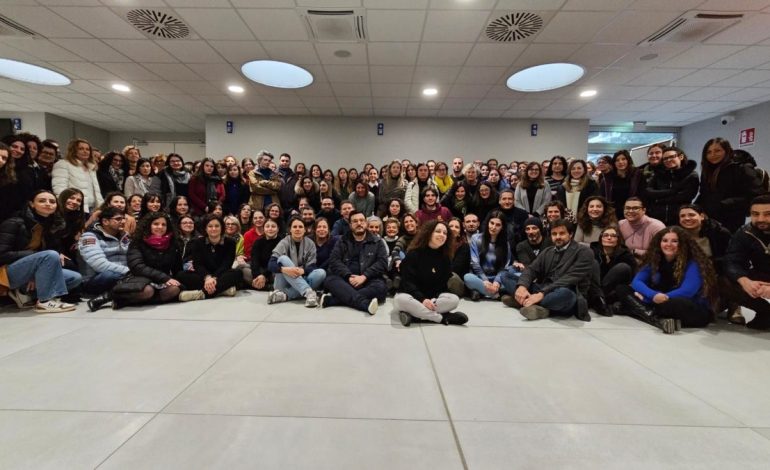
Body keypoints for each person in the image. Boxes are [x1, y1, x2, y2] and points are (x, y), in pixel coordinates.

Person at [618, 226, 716, 334]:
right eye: (665, 240)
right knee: (622, 288)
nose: (668, 244)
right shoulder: (655, 260)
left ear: (683, 244)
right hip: (660, 300)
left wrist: (649, 299)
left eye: (674, 241)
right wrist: (653, 295)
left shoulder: (693, 263)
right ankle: (656, 319)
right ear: (659, 243)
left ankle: (638, 311)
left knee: (675, 303)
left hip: (690, 307)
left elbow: (688, 291)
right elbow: (637, 281)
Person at [0, 190, 82, 313]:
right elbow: (2, 255)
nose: (48, 204)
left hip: (27, 269)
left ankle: (27, 295)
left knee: (75, 277)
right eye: (42, 201)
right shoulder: (14, 222)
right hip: (6, 272)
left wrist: (36, 267)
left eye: (52, 201)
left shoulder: (50, 225)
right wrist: (35, 257)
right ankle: (45, 301)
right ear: (32, 204)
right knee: (50, 255)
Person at [87, 211, 183, 311]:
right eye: (156, 224)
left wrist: (178, 283)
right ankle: (109, 296)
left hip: (160, 281)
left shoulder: (173, 243)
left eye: (164, 224)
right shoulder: (137, 242)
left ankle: (128, 301)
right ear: (148, 226)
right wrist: (164, 278)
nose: (160, 227)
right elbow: (137, 266)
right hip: (139, 278)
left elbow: (177, 268)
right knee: (147, 291)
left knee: (174, 289)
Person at [503, 219, 594, 322]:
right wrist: (522, 287)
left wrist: (541, 294)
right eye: (554, 234)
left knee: (565, 295)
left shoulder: (584, 252)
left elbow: (568, 279)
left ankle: (524, 302)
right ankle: (533, 303)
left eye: (562, 233)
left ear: (571, 234)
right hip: (542, 288)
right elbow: (531, 269)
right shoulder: (548, 251)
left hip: (565, 291)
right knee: (505, 276)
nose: (558, 237)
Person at [394, 220, 469, 326]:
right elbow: (407, 283)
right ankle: (442, 317)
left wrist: (432, 299)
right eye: (438, 231)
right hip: (411, 296)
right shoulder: (414, 254)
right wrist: (422, 299)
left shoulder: (446, 258)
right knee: (400, 300)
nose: (442, 235)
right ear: (429, 233)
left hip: (432, 300)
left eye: (445, 233)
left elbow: (442, 285)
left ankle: (416, 316)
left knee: (454, 300)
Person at [321, 211, 388, 314]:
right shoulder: (342, 240)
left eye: (361, 220)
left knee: (381, 287)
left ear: (366, 223)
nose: (359, 223)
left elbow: (382, 263)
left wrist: (364, 276)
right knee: (330, 280)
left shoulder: (377, 241)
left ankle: (334, 300)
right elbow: (334, 261)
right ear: (350, 225)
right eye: (355, 221)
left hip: (368, 280)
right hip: (345, 280)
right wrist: (348, 276)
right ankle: (364, 304)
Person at [722, 195, 770, 330]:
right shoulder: (745, 232)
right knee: (724, 280)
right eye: (755, 214)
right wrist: (744, 280)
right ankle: (765, 311)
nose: (761, 219)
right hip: (761, 275)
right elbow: (731, 260)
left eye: (767, 214)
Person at [696, 137, 762, 233]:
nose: (713, 155)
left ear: (727, 151)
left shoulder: (741, 168)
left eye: (717, 151)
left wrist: (725, 204)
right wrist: (694, 208)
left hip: (732, 218)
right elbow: (703, 194)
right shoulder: (707, 170)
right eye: (708, 152)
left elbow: (756, 195)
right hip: (709, 218)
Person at [176, 214, 240, 301]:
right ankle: (222, 290)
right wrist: (207, 277)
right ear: (205, 228)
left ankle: (200, 294)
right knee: (181, 275)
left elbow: (226, 264)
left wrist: (213, 278)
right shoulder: (197, 242)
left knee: (237, 273)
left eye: (217, 226)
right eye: (210, 226)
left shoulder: (230, 243)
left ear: (222, 228)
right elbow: (198, 264)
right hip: (204, 275)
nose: (214, 229)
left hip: (221, 274)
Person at [266, 217, 326, 307]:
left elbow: (312, 266)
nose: (297, 229)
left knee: (321, 273)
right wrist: (283, 270)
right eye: (294, 227)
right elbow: (271, 264)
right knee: (283, 258)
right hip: (283, 283)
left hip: (300, 277)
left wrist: (303, 271)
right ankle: (308, 292)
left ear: (305, 230)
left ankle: (284, 296)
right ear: (290, 229)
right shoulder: (284, 242)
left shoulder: (310, 243)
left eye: (300, 227)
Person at [78, 206, 131, 295]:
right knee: (110, 276)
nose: (123, 222)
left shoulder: (125, 236)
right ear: (105, 221)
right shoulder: (89, 237)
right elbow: (99, 265)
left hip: (123, 273)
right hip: (95, 279)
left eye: (124, 219)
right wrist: (129, 271)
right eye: (118, 219)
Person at [644, 146, 699, 226]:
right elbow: (649, 192)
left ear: (681, 157)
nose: (668, 160)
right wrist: (673, 191)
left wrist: (658, 200)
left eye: (671, 157)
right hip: (657, 219)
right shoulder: (659, 174)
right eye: (665, 159)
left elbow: (685, 196)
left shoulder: (691, 175)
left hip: (680, 219)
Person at [464, 210, 511, 300]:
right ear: (487, 223)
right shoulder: (476, 238)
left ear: (502, 227)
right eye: (491, 223)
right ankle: (496, 294)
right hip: (480, 277)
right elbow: (474, 263)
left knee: (517, 275)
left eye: (498, 225)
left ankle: (483, 291)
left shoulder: (505, 243)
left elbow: (505, 267)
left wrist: (497, 282)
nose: (493, 227)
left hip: (497, 279)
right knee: (467, 278)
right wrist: (485, 280)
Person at [590, 226, 636, 310]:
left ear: (618, 240)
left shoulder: (625, 254)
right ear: (601, 238)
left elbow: (633, 275)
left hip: (612, 291)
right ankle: (597, 299)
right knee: (593, 263)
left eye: (613, 236)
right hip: (594, 287)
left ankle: (597, 299)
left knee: (622, 267)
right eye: (606, 235)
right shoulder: (593, 251)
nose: (609, 238)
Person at [52, 138, 103, 212]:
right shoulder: (63, 164)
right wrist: (68, 206)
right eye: (81, 148)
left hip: (93, 208)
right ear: (74, 150)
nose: (85, 151)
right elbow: (59, 189)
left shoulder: (91, 167)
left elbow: (96, 191)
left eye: (87, 149)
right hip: (75, 208)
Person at [618, 197, 665, 263]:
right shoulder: (620, 224)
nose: (630, 211)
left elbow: (661, 252)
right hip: (626, 262)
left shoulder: (657, 226)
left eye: (635, 208)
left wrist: (634, 251)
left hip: (650, 263)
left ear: (644, 210)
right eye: (627, 208)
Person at [249, 218, 281, 291]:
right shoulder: (258, 242)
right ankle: (266, 286)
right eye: (267, 226)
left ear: (278, 229)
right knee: (242, 269)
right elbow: (254, 261)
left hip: (273, 271)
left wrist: (264, 275)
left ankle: (256, 285)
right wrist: (258, 275)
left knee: (280, 275)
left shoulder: (282, 242)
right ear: (263, 228)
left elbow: (277, 263)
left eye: (273, 226)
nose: (270, 229)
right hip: (260, 270)